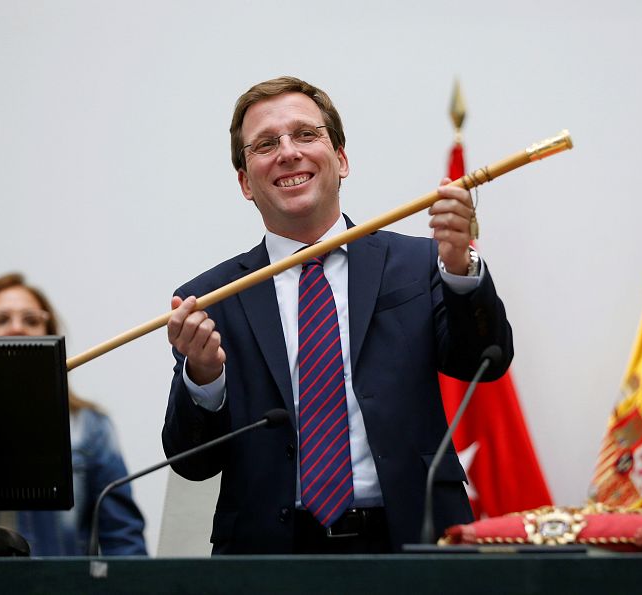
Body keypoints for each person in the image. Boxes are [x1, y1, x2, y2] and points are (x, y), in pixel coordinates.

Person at [162, 76, 513, 554]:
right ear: (245, 182)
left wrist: (460, 271)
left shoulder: (419, 264)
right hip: (271, 559)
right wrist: (204, 379)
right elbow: (192, 463)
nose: (288, 152)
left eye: (306, 135)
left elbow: (484, 362)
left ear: (341, 160)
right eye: (265, 144)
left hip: (413, 544)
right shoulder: (210, 299)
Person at [0, 273, 147, 556]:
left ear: (49, 335)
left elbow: (123, 541)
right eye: (0, 319)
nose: (17, 328)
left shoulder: (90, 427)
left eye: (31, 320)